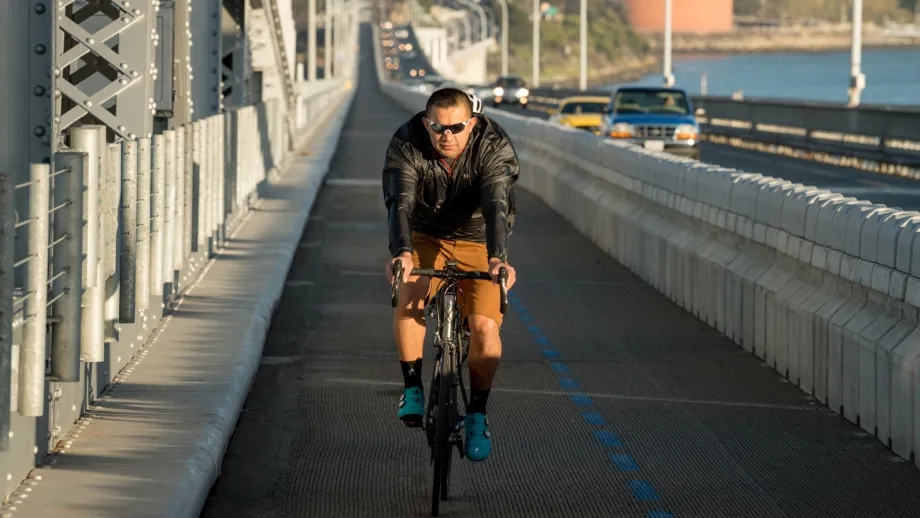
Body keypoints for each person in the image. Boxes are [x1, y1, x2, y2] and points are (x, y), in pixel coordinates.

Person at [382, 87, 519, 462]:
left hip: (478, 238)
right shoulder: (407, 141)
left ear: (472, 124)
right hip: (425, 235)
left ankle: (476, 413)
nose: (446, 135)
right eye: (437, 127)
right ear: (426, 123)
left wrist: (498, 259)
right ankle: (412, 388)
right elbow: (401, 201)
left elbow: (496, 203)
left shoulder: (492, 146)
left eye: (456, 127)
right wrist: (403, 252)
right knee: (409, 290)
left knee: (485, 327)